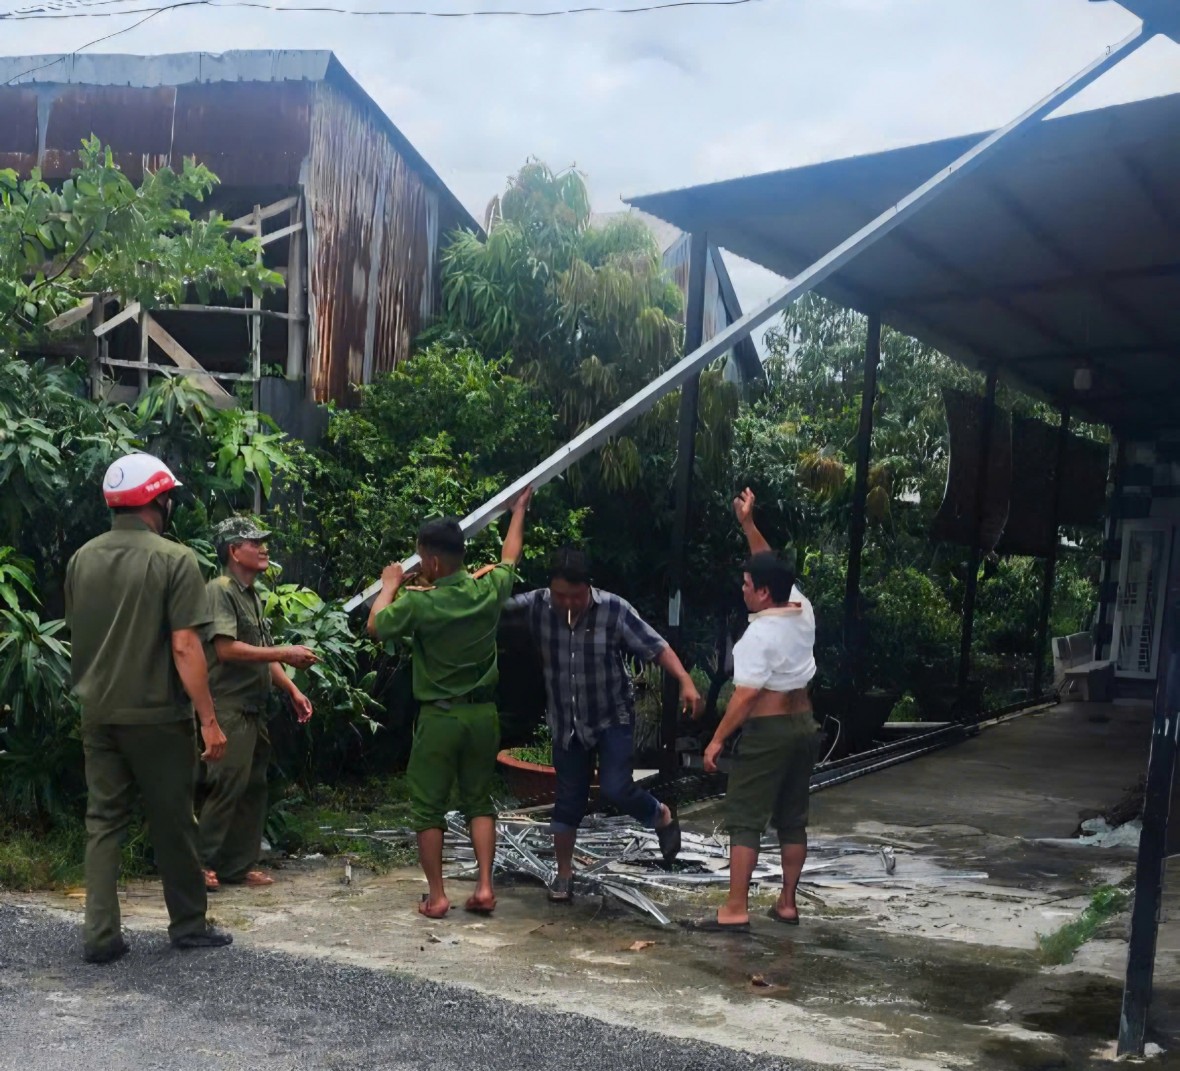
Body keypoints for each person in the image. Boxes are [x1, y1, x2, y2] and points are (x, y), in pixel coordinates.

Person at [64, 452, 233, 963]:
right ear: (159, 501)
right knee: (174, 822)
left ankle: (100, 936)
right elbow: (186, 647)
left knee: (104, 823)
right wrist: (209, 720)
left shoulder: (82, 559)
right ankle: (187, 924)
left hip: (97, 712)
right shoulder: (174, 559)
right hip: (157, 716)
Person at [366, 489, 532, 919]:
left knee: (428, 806)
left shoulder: (420, 603)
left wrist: (388, 586)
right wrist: (519, 511)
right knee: (479, 800)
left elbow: (375, 626)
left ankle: (437, 896)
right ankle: (483, 888)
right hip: (482, 715)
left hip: (440, 717)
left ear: (432, 563)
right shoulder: (488, 588)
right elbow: (510, 555)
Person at [505, 546, 702, 903]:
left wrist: (685, 681)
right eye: (559, 595)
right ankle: (564, 875)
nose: (566, 604)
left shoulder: (613, 608)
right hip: (567, 721)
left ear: (588, 588)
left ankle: (659, 814)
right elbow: (484, 607)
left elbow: (655, 647)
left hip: (612, 715)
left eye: (574, 596)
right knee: (568, 803)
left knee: (615, 787)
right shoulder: (537, 604)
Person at [690, 488, 819, 933]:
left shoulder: (757, 639)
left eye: (747, 586)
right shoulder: (801, 610)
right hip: (805, 727)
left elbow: (744, 698)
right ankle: (786, 902)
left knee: (745, 816)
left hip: (770, 733)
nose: (742, 590)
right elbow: (770, 563)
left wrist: (717, 739)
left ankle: (735, 908)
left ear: (763, 593)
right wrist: (747, 524)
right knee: (792, 817)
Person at [198, 516, 318, 891]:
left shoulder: (251, 595)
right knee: (224, 788)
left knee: (252, 787)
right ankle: (197, 865)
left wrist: (292, 690)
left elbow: (262, 654)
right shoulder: (220, 589)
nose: (264, 548)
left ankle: (237, 865)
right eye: (255, 542)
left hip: (253, 709)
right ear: (234, 551)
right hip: (228, 708)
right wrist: (285, 651)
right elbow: (226, 648)